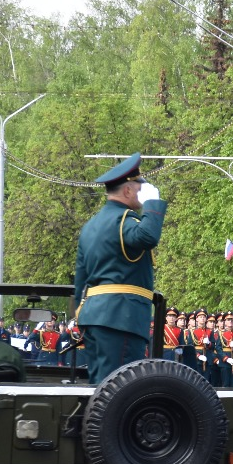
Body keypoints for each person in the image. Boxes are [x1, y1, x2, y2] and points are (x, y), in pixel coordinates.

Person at [72, 153, 167, 385]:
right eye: (139, 189)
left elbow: (80, 280)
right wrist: (153, 204)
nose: (141, 195)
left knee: (100, 388)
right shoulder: (125, 221)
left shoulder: (90, 226)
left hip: (94, 317)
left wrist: (78, 314)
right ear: (127, 191)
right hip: (121, 317)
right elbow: (147, 237)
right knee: (118, 391)